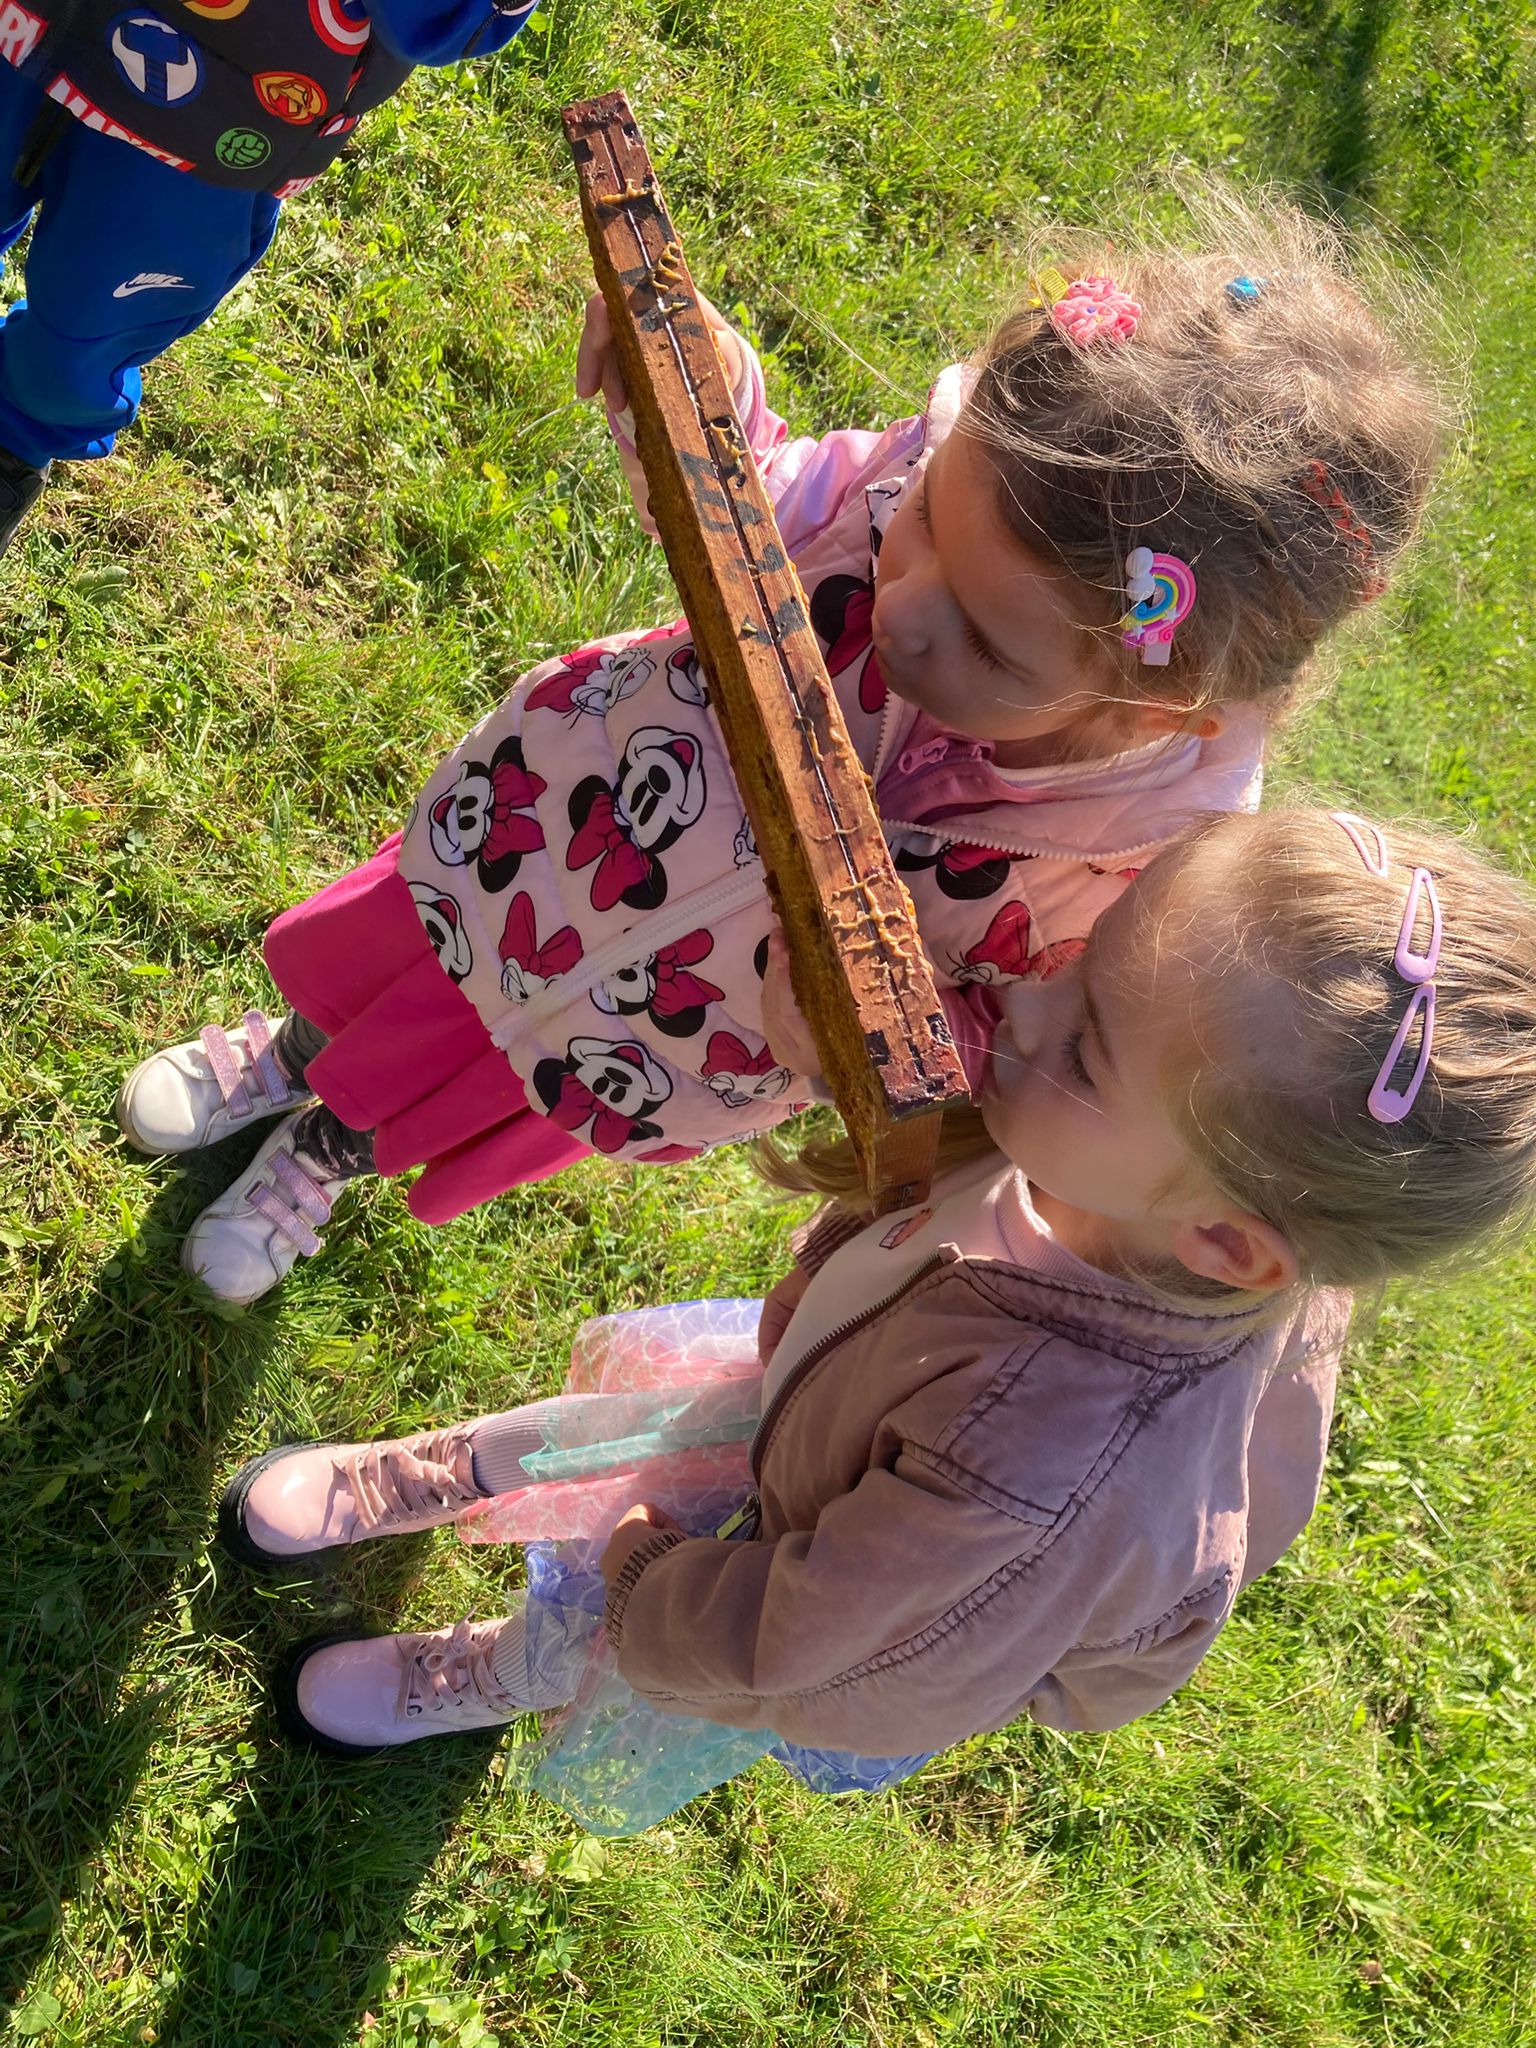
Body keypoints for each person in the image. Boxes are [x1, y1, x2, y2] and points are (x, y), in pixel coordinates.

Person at [115, 196, 1445, 1304]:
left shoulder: (1138, 876)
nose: (907, 608)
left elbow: (1018, 1035)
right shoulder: (934, 483)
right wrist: (692, 391)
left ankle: (325, 1154)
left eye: (990, 647)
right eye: (922, 523)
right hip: (554, 829)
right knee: (405, 964)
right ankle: (286, 1056)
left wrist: (875, 1036)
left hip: (677, 1030)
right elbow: (751, 496)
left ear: (1162, 709)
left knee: (475, 1082)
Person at [211, 806, 1536, 1832]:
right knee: (607, 1435)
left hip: (798, 1565)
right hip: (825, 1387)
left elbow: (805, 1653)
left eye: (1084, 1040)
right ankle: (448, 1473)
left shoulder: (1042, 1485)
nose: (1029, 991)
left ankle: (505, 1665)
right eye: (1088, 958)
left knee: (603, 1601)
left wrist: (648, 1577)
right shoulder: (1148, 1176)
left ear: (1229, 1244)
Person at [0, 0, 539, 551]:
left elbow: (445, 24)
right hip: (21, 21)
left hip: (217, 126)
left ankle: (14, 442)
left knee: (78, 345)